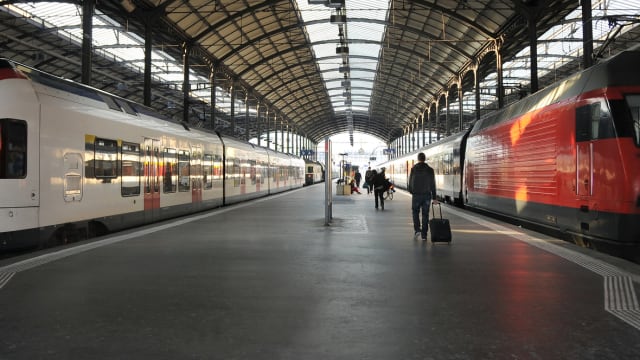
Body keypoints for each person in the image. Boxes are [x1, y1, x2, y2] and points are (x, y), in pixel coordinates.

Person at [408, 152, 438, 241]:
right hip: (426, 196)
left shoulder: (413, 169)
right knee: (425, 214)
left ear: (418, 159)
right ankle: (424, 235)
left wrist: (411, 191)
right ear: (425, 159)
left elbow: (410, 182)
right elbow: (433, 184)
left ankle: (417, 230)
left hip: (416, 195)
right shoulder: (430, 170)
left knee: (415, 212)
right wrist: (435, 197)